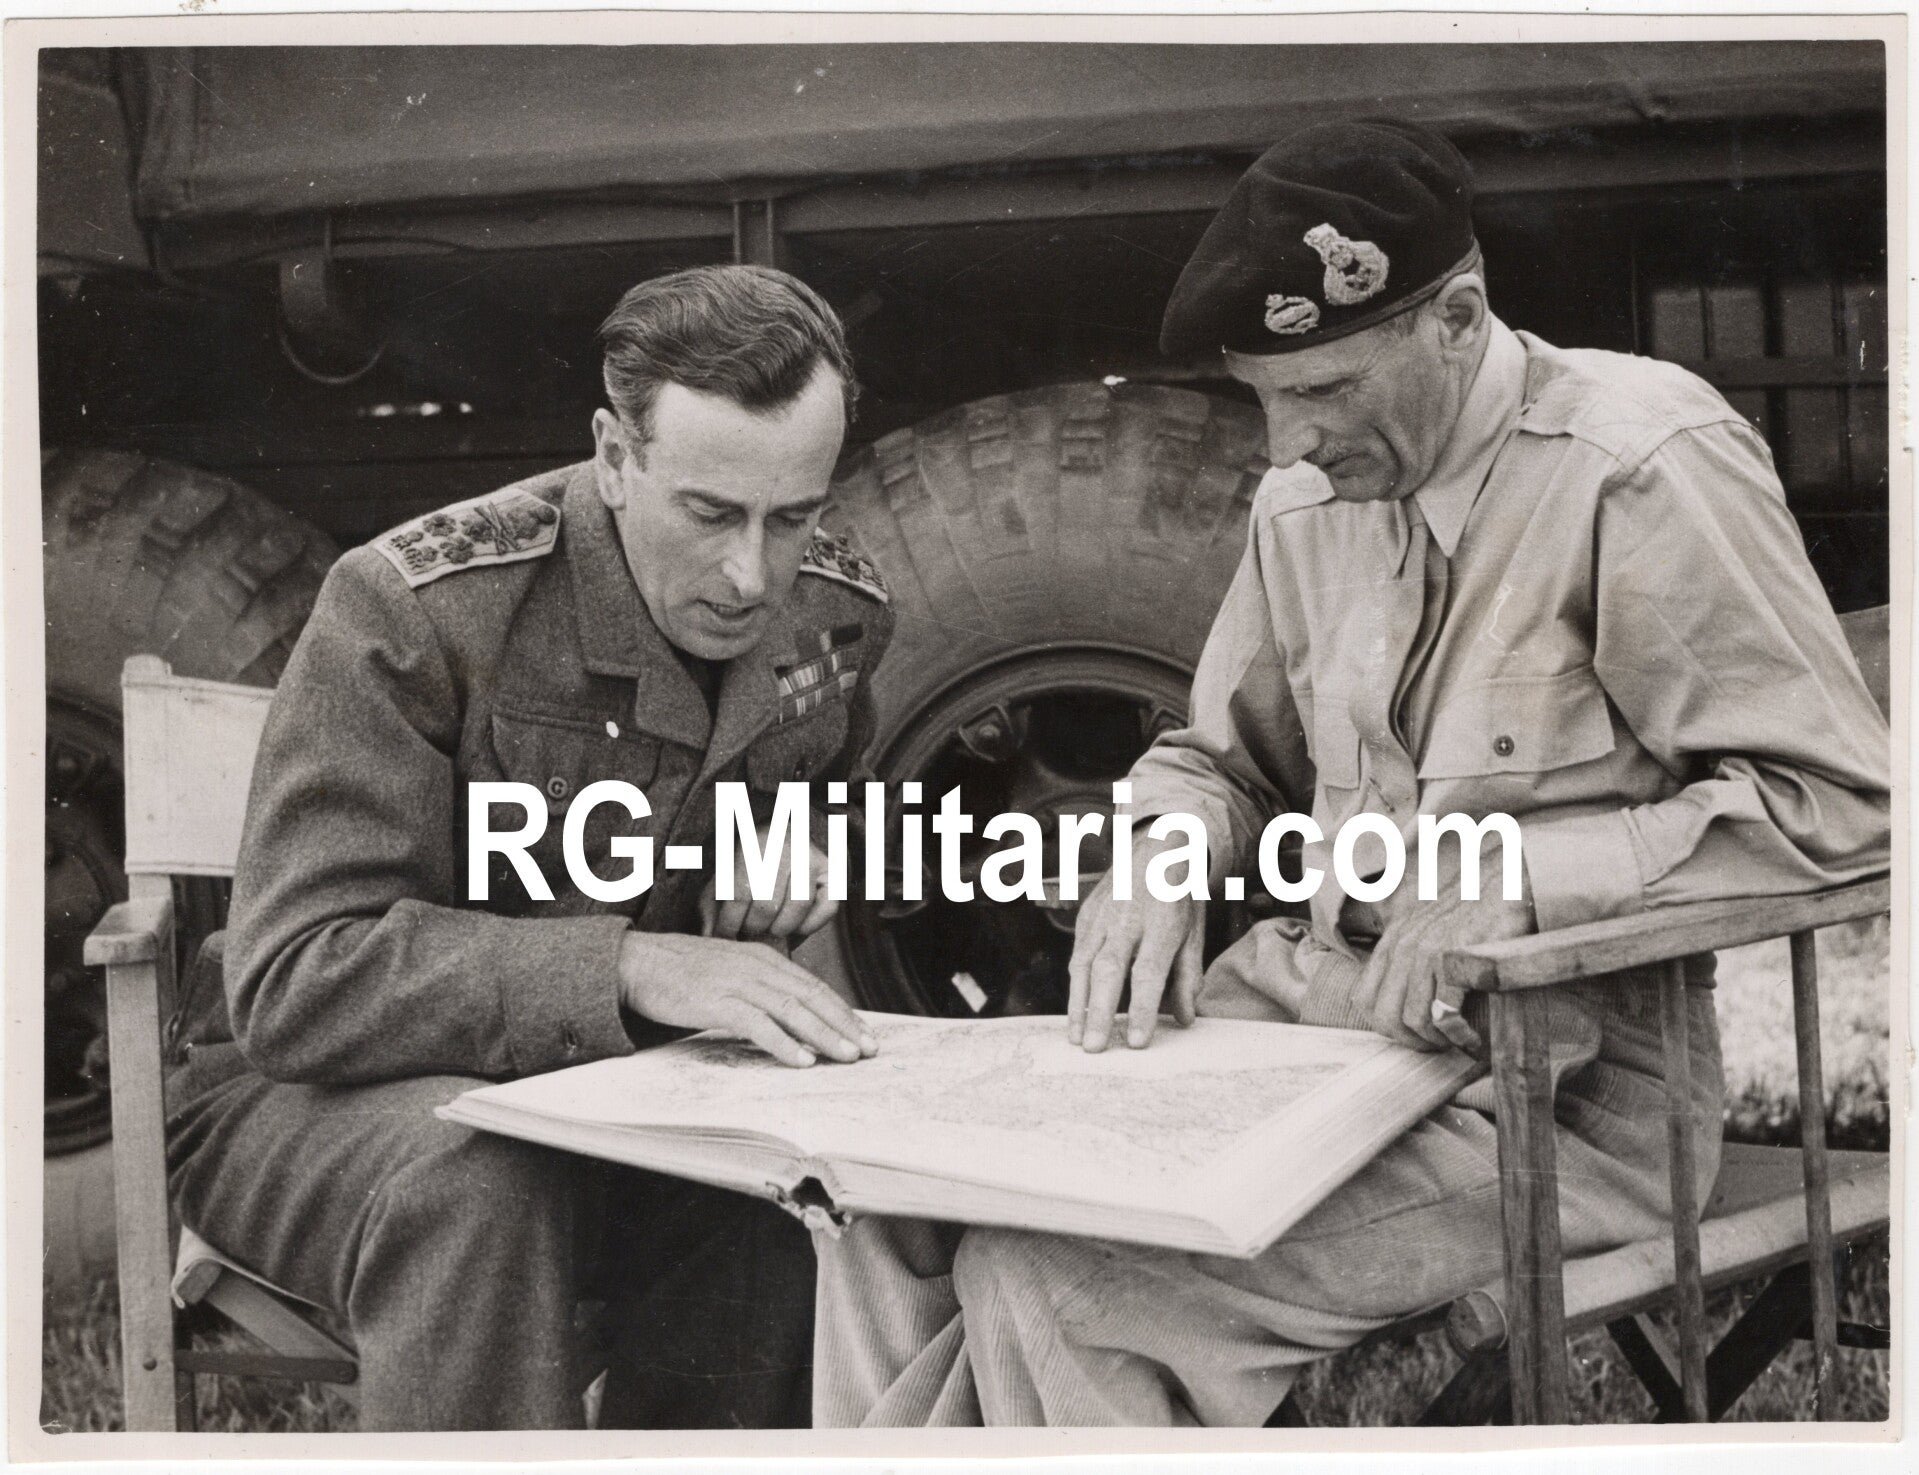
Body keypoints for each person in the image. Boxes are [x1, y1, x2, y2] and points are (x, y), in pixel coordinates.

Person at [811, 119, 1890, 1426]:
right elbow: (1223, 759)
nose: (1282, 447)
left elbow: (1843, 809)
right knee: (887, 1209)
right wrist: (1160, 843)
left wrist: (1528, 880)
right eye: (1264, 399)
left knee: (1060, 1280)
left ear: (1457, 317)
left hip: (1551, 1099)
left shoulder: (1639, 467)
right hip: (1282, 1041)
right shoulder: (1302, 503)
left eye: (1321, 394)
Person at [165, 264, 895, 1430]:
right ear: (612, 455)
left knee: (780, 1186)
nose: (753, 573)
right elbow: (293, 980)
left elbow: (829, 788)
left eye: (793, 516)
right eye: (708, 514)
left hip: (616, 1102)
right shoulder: (420, 607)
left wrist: (802, 845)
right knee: (477, 1179)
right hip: (311, 1102)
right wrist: (630, 965)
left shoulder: (834, 611)